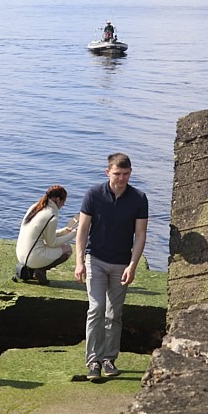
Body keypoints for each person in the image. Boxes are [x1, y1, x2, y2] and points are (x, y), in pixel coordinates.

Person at [73, 153, 148, 382]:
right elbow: (82, 231)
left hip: (121, 263)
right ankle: (93, 361)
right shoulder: (94, 195)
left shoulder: (139, 198)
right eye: (117, 174)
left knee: (114, 313)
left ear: (130, 173)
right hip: (95, 259)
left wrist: (133, 266)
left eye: (126, 174)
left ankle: (109, 359)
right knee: (96, 308)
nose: (121, 178)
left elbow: (141, 234)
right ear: (108, 172)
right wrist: (78, 261)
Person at [15, 185, 77, 286]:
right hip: (32, 257)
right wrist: (74, 234)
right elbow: (52, 243)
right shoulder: (51, 216)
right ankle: (41, 270)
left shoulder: (35, 207)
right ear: (57, 199)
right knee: (67, 249)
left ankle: (33, 269)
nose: (64, 204)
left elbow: (41, 233)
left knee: (45, 244)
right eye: (63, 201)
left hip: (21, 255)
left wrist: (63, 231)